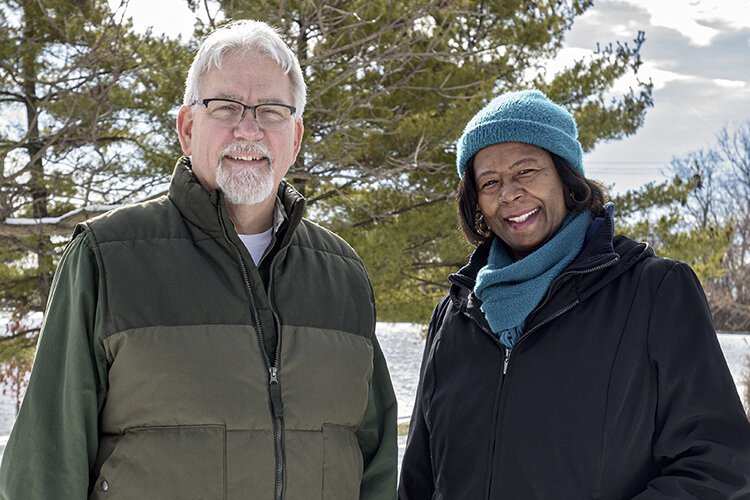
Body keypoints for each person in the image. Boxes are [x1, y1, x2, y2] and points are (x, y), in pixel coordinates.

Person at [0, 20, 397, 500]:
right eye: (226, 107)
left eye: (271, 111)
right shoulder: (107, 259)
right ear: (187, 128)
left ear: (295, 137)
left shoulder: (342, 276)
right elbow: (44, 466)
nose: (248, 129)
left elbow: (373, 467)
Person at [398, 89, 750, 499]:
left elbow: (718, 468)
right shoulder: (456, 314)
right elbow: (420, 479)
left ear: (566, 178)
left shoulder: (654, 291)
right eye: (489, 182)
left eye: (526, 171)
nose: (508, 193)